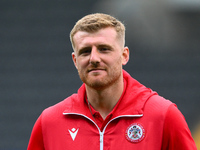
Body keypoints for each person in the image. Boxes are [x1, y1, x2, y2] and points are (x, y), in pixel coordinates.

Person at [27, 13, 197, 150]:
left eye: (104, 49)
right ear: (75, 60)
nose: (94, 58)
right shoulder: (49, 122)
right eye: (85, 51)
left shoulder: (163, 116)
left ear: (124, 55)